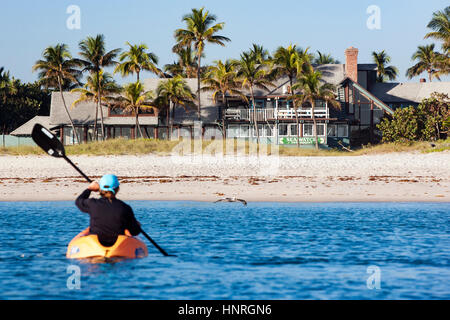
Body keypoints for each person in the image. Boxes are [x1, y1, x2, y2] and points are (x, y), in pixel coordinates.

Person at [75, 174, 141, 247]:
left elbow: (79, 201)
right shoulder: (124, 207)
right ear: (117, 189)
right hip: (118, 247)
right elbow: (135, 231)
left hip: (95, 246)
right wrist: (137, 225)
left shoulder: (93, 204)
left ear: (101, 189)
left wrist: (89, 189)